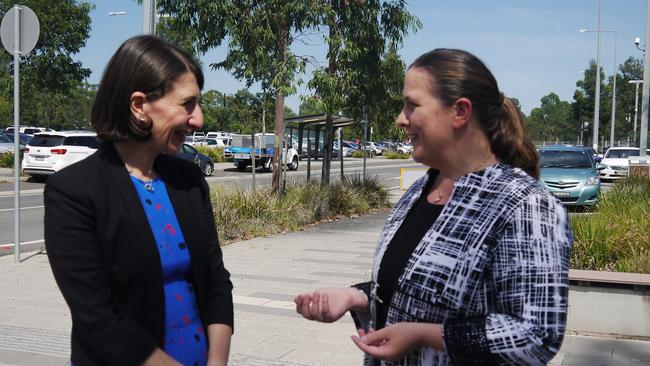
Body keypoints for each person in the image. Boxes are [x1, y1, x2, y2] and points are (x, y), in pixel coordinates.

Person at [293, 48, 573, 365]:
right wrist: (354, 297)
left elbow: (536, 334)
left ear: (460, 112)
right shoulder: (420, 190)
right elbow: (416, 290)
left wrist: (425, 334)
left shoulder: (525, 205)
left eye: (412, 105)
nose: (401, 119)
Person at [44, 35, 233, 366]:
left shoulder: (188, 180)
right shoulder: (74, 191)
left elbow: (216, 281)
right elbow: (98, 319)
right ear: (139, 106)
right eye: (187, 104)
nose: (199, 119)